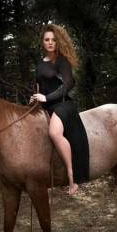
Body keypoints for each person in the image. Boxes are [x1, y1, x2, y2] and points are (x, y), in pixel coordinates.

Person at [29, 24, 90, 195]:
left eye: (53, 40)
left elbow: (68, 84)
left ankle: (72, 178)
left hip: (63, 104)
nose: (50, 43)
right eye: (47, 40)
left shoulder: (62, 61)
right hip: (45, 105)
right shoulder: (40, 64)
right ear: (42, 42)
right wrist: (35, 96)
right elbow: (39, 87)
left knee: (54, 133)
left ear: (58, 42)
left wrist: (47, 98)